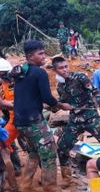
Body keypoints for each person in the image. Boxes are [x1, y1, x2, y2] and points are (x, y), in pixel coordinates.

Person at [12, 40, 72, 191]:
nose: (45, 56)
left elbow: (30, 95)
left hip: (20, 121)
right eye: (41, 53)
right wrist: (60, 105)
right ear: (30, 56)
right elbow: (47, 97)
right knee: (49, 155)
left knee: (34, 154)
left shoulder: (21, 71)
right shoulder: (40, 72)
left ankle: (25, 185)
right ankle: (50, 188)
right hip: (34, 122)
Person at [52, 56, 100, 188]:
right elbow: (63, 101)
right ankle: (67, 179)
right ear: (55, 70)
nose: (65, 70)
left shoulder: (80, 77)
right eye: (61, 68)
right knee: (62, 147)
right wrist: (59, 105)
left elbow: (94, 90)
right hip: (75, 120)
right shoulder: (60, 85)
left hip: (91, 117)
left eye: (66, 66)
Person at [0, 58, 19, 190]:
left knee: (6, 149)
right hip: (9, 120)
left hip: (15, 120)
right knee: (7, 147)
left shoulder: (12, 85)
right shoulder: (6, 84)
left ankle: (10, 185)